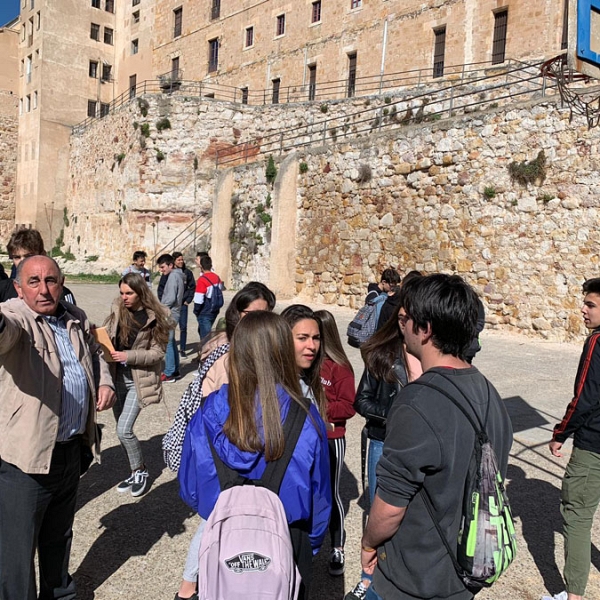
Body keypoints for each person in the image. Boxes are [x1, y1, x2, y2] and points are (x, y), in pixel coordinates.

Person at [359, 274, 512, 600]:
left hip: (411, 582)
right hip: (461, 577)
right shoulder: (490, 393)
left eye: (406, 318)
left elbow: (389, 509)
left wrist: (368, 542)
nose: (402, 325)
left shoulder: (416, 403)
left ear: (424, 329)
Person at [178, 311, 331, 600]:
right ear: (284, 353)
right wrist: (306, 548)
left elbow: (190, 489)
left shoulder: (208, 410)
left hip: (225, 534)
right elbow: (320, 497)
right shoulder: (306, 416)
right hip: (289, 537)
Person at [0, 255, 115, 600]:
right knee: (16, 553)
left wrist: (105, 381)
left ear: (62, 282)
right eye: (33, 282)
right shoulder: (16, 314)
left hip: (70, 450)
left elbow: (97, 352)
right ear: (19, 288)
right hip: (27, 459)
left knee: (59, 536)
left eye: (51, 280)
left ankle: (59, 594)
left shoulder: (75, 317)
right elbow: (5, 332)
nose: (44, 289)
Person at [166, 281, 277, 600]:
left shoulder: (250, 351)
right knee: (216, 522)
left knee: (224, 525)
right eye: (250, 314)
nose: (256, 322)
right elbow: (211, 413)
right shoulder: (228, 356)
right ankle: (189, 586)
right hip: (226, 455)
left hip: (239, 451)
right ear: (236, 314)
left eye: (264, 315)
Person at [346, 281, 422, 600]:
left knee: (412, 511)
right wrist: (393, 416)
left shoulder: (434, 360)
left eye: (413, 317)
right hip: (382, 441)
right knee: (379, 507)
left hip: (418, 447)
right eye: (402, 316)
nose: (406, 322)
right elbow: (361, 401)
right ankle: (369, 576)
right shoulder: (381, 354)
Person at [547, 277, 600, 600]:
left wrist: (560, 433)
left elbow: (584, 397)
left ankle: (575, 596)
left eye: (591, 304)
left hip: (594, 446)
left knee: (577, 516)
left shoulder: (597, 343)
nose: (583, 309)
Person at [103, 272, 171, 497]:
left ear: (141, 292)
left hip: (138, 382)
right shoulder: (117, 310)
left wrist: (128, 356)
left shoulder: (157, 317)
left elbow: (158, 353)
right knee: (120, 430)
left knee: (124, 430)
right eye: (121, 293)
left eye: (129, 293)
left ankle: (141, 470)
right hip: (117, 379)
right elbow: (107, 335)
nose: (124, 297)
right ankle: (134, 471)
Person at [314, 309, 356, 577]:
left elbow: (349, 407)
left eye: (316, 336)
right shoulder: (308, 363)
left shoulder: (339, 366)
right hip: (308, 438)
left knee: (331, 493)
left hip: (331, 438)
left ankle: (337, 547)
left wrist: (322, 408)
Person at [0, 228, 76, 304]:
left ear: (43, 255)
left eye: (28, 256)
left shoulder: (61, 294)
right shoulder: (4, 289)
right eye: (17, 257)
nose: (22, 261)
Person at [280, 304, 327, 418]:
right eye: (302, 338)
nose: (312, 346)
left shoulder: (308, 380)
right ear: (283, 339)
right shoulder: (274, 389)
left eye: (316, 338)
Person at [157, 253, 184, 383]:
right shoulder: (178, 275)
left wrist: (160, 307)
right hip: (175, 311)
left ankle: (169, 373)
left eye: (163, 267)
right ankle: (176, 370)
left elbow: (171, 297)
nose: (161, 270)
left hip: (170, 312)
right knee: (171, 342)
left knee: (167, 342)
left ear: (170, 265)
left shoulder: (173, 276)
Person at [193, 255, 223, 340]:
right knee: (204, 332)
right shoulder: (217, 277)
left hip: (205, 311)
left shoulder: (202, 280)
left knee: (206, 340)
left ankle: (206, 352)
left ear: (201, 266)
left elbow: (198, 299)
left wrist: (196, 311)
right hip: (215, 309)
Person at [172, 252, 196, 357]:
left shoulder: (187, 273)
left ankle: (182, 349)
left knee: (183, 327)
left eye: (182, 259)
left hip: (183, 305)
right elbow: (161, 289)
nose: (181, 261)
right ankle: (171, 349)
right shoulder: (170, 273)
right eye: (179, 260)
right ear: (174, 261)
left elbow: (192, 287)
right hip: (172, 306)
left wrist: (188, 300)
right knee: (170, 328)